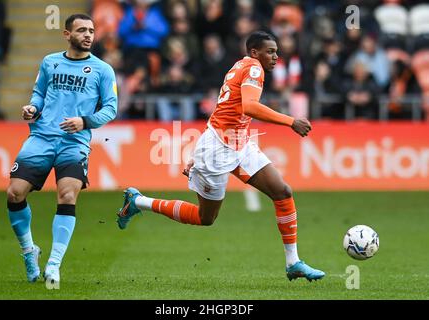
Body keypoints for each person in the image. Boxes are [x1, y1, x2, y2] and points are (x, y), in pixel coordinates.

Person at [117, 31, 324, 281]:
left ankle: (293, 262)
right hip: (217, 151)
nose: (276, 56)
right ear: (255, 52)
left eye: (277, 51)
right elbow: (250, 106)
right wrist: (290, 121)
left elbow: (225, 109)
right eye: (270, 51)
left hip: (238, 144)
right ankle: (138, 202)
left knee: (282, 192)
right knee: (206, 218)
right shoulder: (254, 68)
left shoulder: (238, 66)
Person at [6, 14, 117, 289]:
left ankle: (54, 263)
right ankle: (29, 250)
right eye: (82, 30)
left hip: (74, 142)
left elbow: (111, 109)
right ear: (67, 34)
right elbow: (39, 94)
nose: (89, 35)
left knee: (67, 194)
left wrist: (85, 121)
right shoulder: (50, 62)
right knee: (14, 193)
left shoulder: (103, 70)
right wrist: (33, 108)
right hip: (42, 137)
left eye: (91, 30)